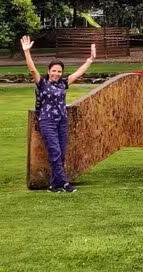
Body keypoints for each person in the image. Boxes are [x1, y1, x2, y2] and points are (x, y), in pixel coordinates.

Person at [21, 35, 95, 193]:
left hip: (62, 121)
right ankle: (65, 183)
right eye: (53, 71)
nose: (56, 73)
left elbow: (78, 73)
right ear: (48, 71)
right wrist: (27, 52)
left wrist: (90, 60)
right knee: (55, 151)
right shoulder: (42, 83)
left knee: (61, 154)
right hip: (47, 122)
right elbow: (32, 69)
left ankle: (53, 185)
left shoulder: (63, 83)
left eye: (59, 71)